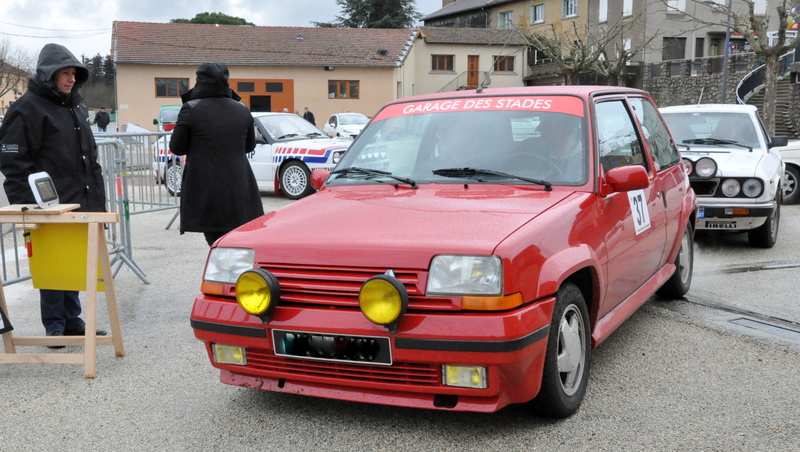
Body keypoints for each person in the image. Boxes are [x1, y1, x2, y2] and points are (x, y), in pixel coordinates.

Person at [0, 43, 107, 345]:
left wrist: (97, 199)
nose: (71, 79)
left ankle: (72, 320)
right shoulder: (27, 108)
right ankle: (55, 325)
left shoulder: (75, 107)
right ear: (49, 75)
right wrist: (30, 201)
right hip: (48, 202)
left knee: (73, 261)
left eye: (74, 73)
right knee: (52, 263)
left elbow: (89, 158)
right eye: (65, 73)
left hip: (80, 197)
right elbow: (12, 159)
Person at [169, 62, 264, 246]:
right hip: (239, 186)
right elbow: (249, 146)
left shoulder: (192, 108)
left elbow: (177, 147)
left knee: (217, 244)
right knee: (235, 242)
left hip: (207, 187)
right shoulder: (242, 109)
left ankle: (226, 274)